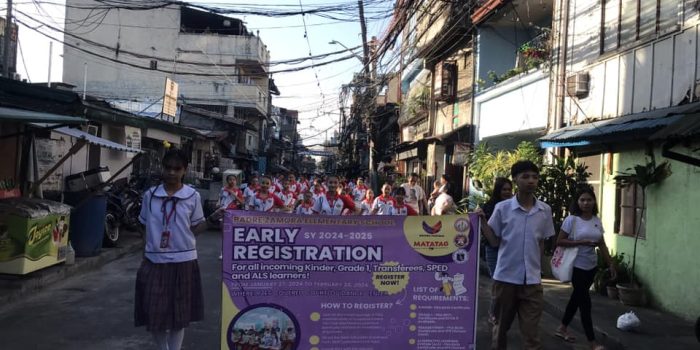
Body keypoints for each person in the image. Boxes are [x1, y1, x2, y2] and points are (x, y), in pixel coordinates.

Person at [478, 160, 556, 350]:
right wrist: (481, 221)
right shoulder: (503, 208)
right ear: (515, 179)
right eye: (526, 177)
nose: (531, 181)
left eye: (535, 177)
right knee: (500, 330)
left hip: (532, 282)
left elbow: (541, 241)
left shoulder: (544, 210)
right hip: (505, 279)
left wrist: (537, 271)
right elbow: (495, 241)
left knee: (531, 334)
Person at [135, 148, 206, 350]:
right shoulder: (151, 195)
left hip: (184, 261)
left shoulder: (192, 196)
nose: (172, 172)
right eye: (168, 168)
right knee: (154, 314)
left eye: (177, 168)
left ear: (185, 170)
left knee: (179, 315)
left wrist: (211, 221)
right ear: (162, 168)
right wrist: (146, 250)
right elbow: (143, 225)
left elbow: (196, 227)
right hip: (155, 261)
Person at [554, 186, 616, 350]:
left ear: (594, 201)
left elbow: (601, 243)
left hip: (591, 266)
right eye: (582, 200)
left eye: (589, 199)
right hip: (576, 266)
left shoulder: (596, 220)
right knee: (585, 303)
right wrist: (580, 243)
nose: (586, 203)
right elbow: (559, 241)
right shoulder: (572, 220)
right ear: (577, 202)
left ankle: (562, 328)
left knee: (577, 298)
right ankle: (592, 342)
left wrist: (610, 263)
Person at [478, 177, 513, 324]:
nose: (507, 192)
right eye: (504, 189)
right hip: (492, 249)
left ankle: (500, 310)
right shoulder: (489, 206)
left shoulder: (514, 206)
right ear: (497, 190)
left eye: (509, 189)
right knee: (497, 281)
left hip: (509, 248)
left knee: (505, 282)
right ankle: (493, 311)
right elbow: (483, 227)